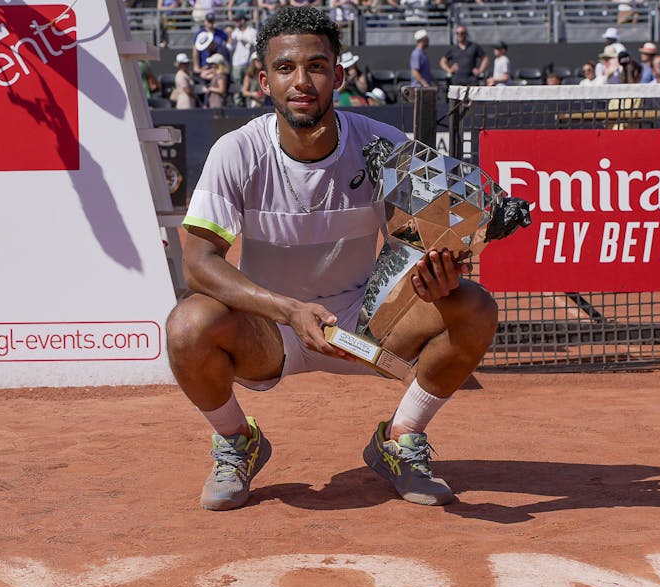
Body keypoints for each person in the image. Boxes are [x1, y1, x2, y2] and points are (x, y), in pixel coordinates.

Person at [168, 6, 498, 511]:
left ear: (338, 75)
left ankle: (399, 440)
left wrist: (437, 274)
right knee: (187, 324)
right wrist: (287, 310)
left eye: (317, 67)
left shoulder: (383, 145)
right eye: (285, 68)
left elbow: (428, 241)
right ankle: (238, 442)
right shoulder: (236, 151)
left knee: (473, 305)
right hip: (269, 326)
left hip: (362, 324)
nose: (302, 81)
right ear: (264, 80)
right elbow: (197, 263)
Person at [228, 11, 257, 106]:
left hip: (249, 62)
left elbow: (255, 44)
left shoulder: (252, 32)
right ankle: (239, 105)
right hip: (237, 63)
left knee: (249, 85)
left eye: (238, 20)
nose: (236, 22)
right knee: (237, 86)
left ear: (243, 20)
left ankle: (250, 104)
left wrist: (242, 39)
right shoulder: (234, 33)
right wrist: (230, 39)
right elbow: (229, 47)